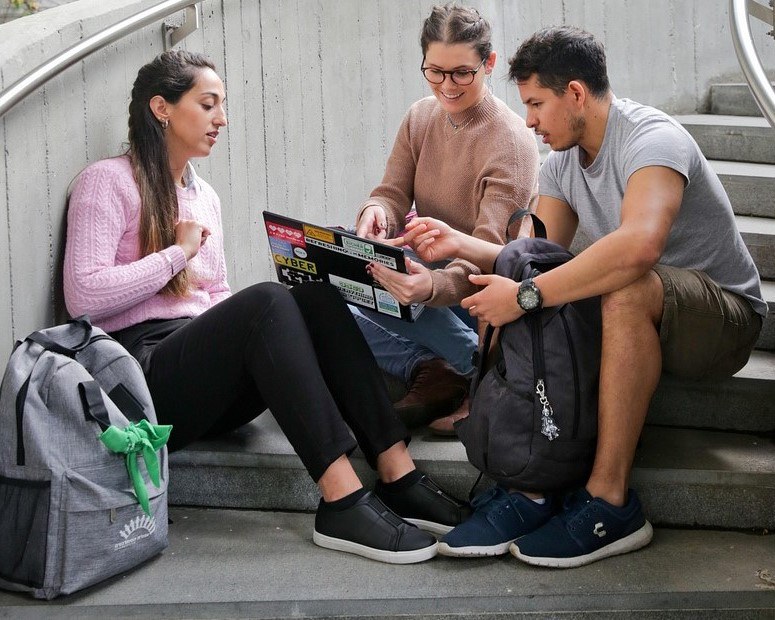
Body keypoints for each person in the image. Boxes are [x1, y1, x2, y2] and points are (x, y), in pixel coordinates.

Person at [63, 50, 471, 565]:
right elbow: (84, 296)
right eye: (208, 104)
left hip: (205, 380)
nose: (222, 119)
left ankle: (397, 474)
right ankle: (343, 500)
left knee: (314, 293)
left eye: (223, 105)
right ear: (161, 108)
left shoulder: (203, 196)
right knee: (267, 301)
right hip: (141, 379)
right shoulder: (108, 181)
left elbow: (217, 299)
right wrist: (177, 254)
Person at [398, 26, 766, 566]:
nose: (529, 122)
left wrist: (526, 296)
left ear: (575, 93)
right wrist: (464, 247)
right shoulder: (563, 164)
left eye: (537, 105)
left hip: (721, 320)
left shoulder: (652, 139)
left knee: (617, 288)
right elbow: (529, 255)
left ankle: (610, 504)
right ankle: (532, 482)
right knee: (527, 273)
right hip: (639, 320)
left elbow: (640, 247)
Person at [354, 3, 540, 434]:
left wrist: (428, 287)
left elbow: (485, 254)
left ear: (488, 63)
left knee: (380, 288)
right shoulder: (420, 117)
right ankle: (432, 365)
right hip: (426, 281)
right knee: (324, 287)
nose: (447, 85)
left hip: (476, 295)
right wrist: (376, 215)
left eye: (461, 73)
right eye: (434, 71)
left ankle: (477, 363)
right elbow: (391, 193)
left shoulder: (510, 142)